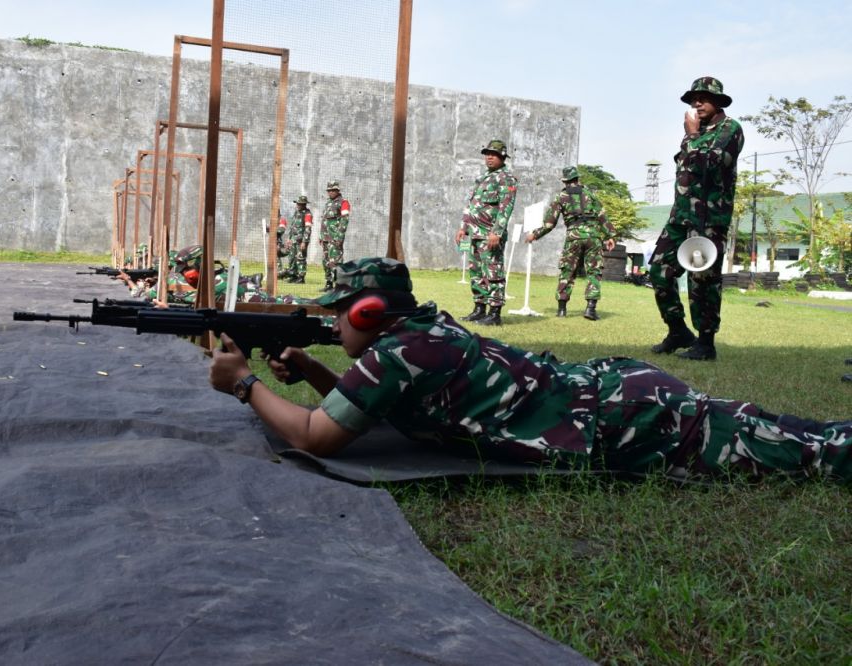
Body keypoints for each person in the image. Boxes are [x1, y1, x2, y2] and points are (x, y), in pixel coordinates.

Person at [209, 257, 850, 481]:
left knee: (802, 449)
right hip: (615, 397)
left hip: (631, 419)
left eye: (342, 312)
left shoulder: (399, 351)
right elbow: (383, 408)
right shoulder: (417, 335)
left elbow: (318, 438)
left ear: (372, 311)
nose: (334, 323)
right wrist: (318, 378)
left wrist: (243, 383)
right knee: (783, 433)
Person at [649, 76, 744, 361]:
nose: (696, 102)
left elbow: (711, 164)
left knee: (702, 279)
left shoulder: (730, 129)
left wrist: (691, 136)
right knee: (658, 270)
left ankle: (705, 342)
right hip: (680, 217)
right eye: (693, 99)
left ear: (718, 101)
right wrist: (692, 137)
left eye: (703, 97)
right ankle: (677, 330)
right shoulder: (697, 131)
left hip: (708, 218)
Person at [526, 166, 616, 320]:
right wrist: (611, 236)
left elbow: (549, 224)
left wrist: (535, 234)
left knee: (567, 271)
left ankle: (562, 310)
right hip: (593, 237)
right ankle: (590, 309)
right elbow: (602, 216)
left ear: (565, 180)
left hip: (573, 237)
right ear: (578, 179)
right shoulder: (591, 194)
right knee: (594, 271)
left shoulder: (560, 197)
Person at [454, 139, 518, 326]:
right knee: (476, 273)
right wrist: (462, 228)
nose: (489, 157)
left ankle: (495, 313)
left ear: (503, 156)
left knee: (493, 272)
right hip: (473, 234)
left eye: (494, 154)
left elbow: (506, 208)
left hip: (490, 235)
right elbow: (471, 205)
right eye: (487, 154)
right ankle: (479, 309)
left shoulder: (506, 179)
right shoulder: (483, 178)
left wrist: (496, 232)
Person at [320, 181, 351, 291]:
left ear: (338, 190)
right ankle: (328, 284)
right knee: (325, 261)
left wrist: (339, 237)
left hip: (335, 238)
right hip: (325, 238)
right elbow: (324, 221)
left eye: (333, 190)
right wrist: (321, 236)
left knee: (335, 262)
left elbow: (345, 220)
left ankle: (340, 285)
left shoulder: (343, 202)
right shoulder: (328, 203)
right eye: (329, 190)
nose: (331, 192)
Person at [284, 195, 314, 284]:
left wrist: (304, 242)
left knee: (300, 258)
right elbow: (292, 227)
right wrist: (289, 239)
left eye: (299, 203)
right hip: (293, 239)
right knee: (292, 258)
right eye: (297, 203)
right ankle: (293, 275)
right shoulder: (296, 213)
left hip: (301, 241)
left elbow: (308, 229)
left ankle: (301, 277)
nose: (297, 205)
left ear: (304, 204)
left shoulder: (307, 214)